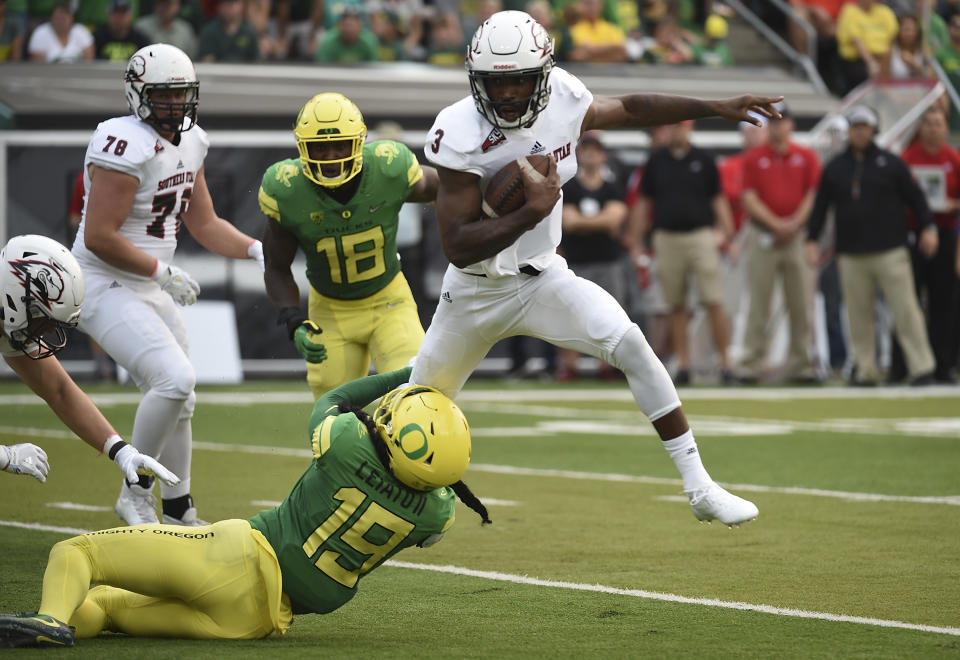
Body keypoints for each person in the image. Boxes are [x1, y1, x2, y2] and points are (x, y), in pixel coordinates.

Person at [415, 10, 779, 526]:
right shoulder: (458, 130)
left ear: (542, 75)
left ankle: (700, 486)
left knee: (630, 343)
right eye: (499, 83)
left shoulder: (563, 96)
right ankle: (399, 497)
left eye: (521, 80)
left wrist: (716, 106)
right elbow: (457, 245)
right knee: (417, 408)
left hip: (544, 277)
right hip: (474, 292)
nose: (511, 94)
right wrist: (531, 211)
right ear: (478, 81)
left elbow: (630, 106)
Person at [0, 367, 491, 648]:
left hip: (237, 557)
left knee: (77, 554)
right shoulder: (437, 513)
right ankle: (48, 623)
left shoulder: (345, 444)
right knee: (105, 608)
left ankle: (47, 621)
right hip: (258, 621)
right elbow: (431, 493)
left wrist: (412, 370)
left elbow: (338, 397)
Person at [71, 44, 266, 526]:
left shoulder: (192, 141)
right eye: (164, 96)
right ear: (138, 94)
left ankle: (179, 508)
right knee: (174, 379)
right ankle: (135, 493)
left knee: (182, 396)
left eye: (182, 95)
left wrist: (257, 250)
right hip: (101, 282)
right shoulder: (124, 143)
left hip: (148, 284)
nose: (175, 106)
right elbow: (97, 237)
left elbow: (204, 222)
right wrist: (162, 273)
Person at [259, 93, 438, 399]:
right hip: (330, 312)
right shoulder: (286, 189)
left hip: (389, 301)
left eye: (340, 144)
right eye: (320, 147)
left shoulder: (387, 166)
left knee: (414, 392)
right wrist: (291, 319)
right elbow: (276, 266)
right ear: (303, 147)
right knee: (333, 416)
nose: (331, 156)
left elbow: (447, 188)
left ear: (358, 142)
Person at [0, 234, 179, 488]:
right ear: (16, 300)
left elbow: (60, 392)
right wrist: (4, 456)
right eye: (45, 320)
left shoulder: (7, 320)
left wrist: (121, 451)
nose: (49, 332)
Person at [805, 104, 937, 386]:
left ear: (873, 130)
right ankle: (865, 369)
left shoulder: (891, 163)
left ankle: (922, 367)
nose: (860, 133)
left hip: (891, 249)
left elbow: (916, 198)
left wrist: (928, 226)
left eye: (864, 127)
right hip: (852, 253)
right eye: (855, 128)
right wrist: (812, 239)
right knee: (858, 315)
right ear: (849, 132)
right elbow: (821, 206)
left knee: (905, 310)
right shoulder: (836, 167)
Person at [632, 119, 737, 386]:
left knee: (714, 299)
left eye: (681, 125)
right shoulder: (657, 162)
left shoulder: (704, 159)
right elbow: (645, 202)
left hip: (701, 234)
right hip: (666, 237)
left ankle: (726, 362)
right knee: (676, 304)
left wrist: (728, 234)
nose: (677, 129)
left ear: (690, 128)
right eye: (674, 125)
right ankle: (684, 363)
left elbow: (718, 198)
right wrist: (635, 240)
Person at [738, 103, 822, 384]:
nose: (777, 127)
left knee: (800, 302)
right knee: (759, 303)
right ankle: (751, 365)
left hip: (795, 236)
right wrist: (777, 224)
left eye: (782, 121)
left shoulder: (806, 156)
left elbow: (812, 195)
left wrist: (794, 224)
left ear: (791, 125)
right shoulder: (754, 158)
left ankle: (801, 365)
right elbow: (749, 198)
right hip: (765, 236)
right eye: (772, 122)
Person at [895, 106, 960, 383]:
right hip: (912, 234)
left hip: (945, 234)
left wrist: (951, 204)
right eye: (928, 123)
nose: (933, 128)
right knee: (907, 302)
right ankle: (903, 366)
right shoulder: (908, 158)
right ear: (920, 128)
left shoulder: (953, 159)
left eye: (938, 123)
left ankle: (942, 366)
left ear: (946, 128)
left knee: (943, 303)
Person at [557, 130, 628, 381]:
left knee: (608, 315)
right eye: (585, 150)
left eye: (595, 151)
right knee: (571, 317)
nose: (590, 155)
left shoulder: (611, 188)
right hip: (576, 261)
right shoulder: (570, 187)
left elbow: (616, 218)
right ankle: (569, 366)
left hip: (607, 260)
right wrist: (601, 222)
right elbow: (568, 222)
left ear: (603, 156)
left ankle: (605, 366)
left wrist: (584, 222)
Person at [27, 0, 94, 62]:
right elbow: (37, 65)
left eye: (64, 19)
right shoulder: (40, 33)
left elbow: (89, 61)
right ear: (51, 18)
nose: (61, 22)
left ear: (72, 18)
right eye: (58, 18)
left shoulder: (81, 31)